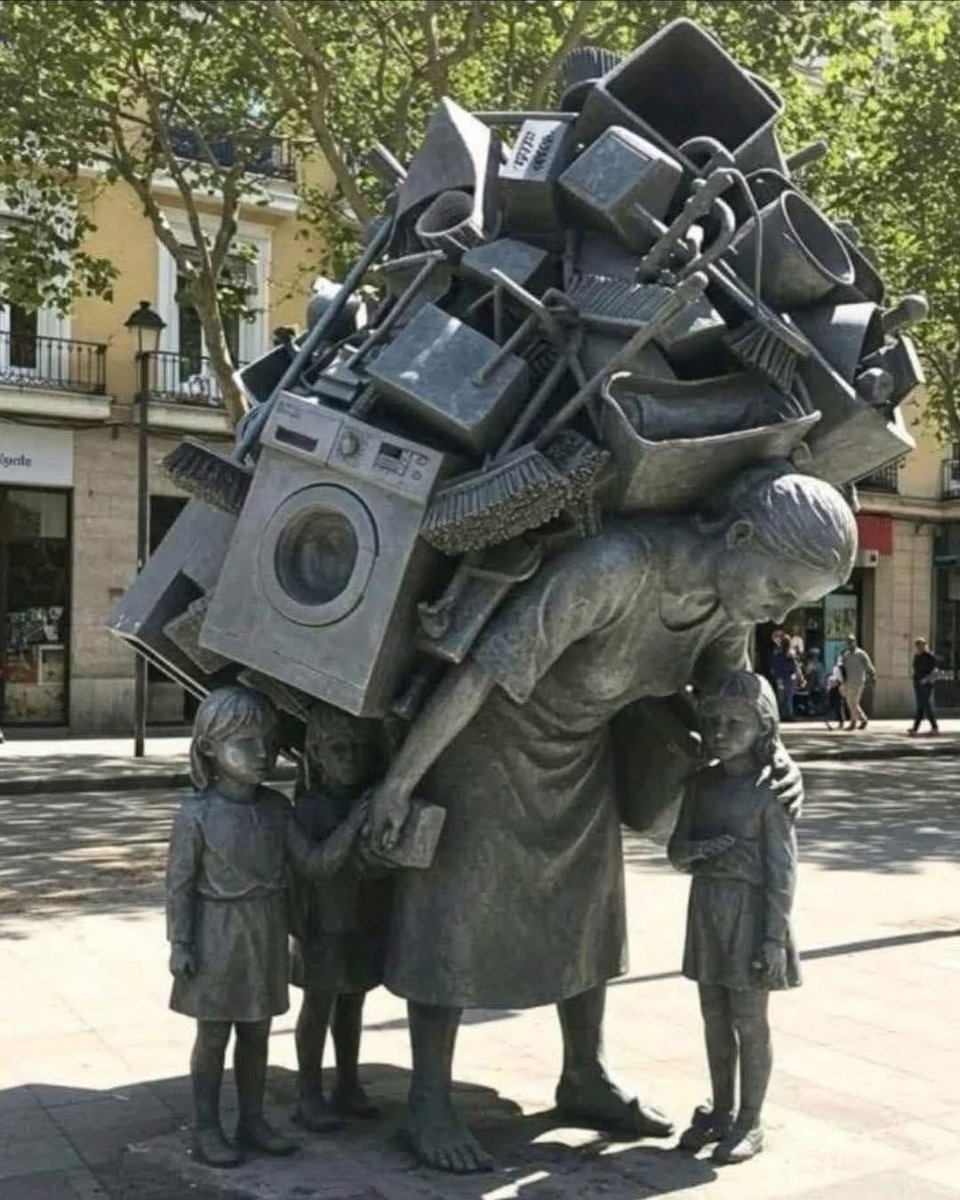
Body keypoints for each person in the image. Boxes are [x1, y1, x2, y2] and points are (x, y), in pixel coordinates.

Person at [364, 466, 856, 1174]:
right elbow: (476, 674)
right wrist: (400, 784)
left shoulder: (729, 611)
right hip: (487, 743)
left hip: (582, 753)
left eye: (794, 602)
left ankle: (584, 1074)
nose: (779, 613)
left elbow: (736, 700)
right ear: (742, 536)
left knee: (588, 911)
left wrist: (777, 759)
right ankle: (429, 1100)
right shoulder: (613, 569)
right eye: (780, 589)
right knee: (456, 912)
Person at [165, 686, 369, 1168]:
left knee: (257, 1031)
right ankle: (207, 1127)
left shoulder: (276, 809)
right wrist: (181, 942)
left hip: (266, 931)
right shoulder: (196, 814)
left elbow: (315, 865)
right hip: (217, 932)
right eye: (246, 743)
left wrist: (354, 825)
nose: (262, 753)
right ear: (209, 748)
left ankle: (252, 1120)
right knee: (213, 1035)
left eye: (269, 742)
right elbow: (178, 886)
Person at [669, 671, 800, 1165]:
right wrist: (700, 850)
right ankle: (721, 1109)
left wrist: (773, 938)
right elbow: (676, 850)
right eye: (714, 722)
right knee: (713, 1015)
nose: (720, 732)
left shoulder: (770, 792)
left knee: (749, 1019)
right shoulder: (700, 785)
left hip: (751, 916)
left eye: (735, 724)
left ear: (763, 728)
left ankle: (750, 1118)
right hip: (707, 910)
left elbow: (783, 871)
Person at [291, 703, 393, 1132]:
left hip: (361, 916)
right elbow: (318, 866)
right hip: (322, 924)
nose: (351, 759)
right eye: (339, 749)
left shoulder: (366, 800)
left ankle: (347, 1084)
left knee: (353, 1001)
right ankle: (308, 1093)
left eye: (358, 749)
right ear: (316, 754)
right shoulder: (307, 809)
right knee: (319, 1004)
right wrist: (354, 824)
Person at [839, 634, 876, 730]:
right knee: (851, 702)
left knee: (853, 702)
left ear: (855, 642)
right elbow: (842, 667)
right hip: (849, 681)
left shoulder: (861, 654)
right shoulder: (846, 655)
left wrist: (872, 674)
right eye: (848, 642)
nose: (850, 643)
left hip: (858, 681)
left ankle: (853, 722)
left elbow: (868, 665)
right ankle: (863, 719)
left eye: (851, 641)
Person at [908, 636, 940, 736]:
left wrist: (926, 679)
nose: (919, 647)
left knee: (925, 704)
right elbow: (915, 668)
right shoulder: (917, 656)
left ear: (925, 645)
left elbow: (935, 671)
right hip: (917, 683)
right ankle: (916, 728)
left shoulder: (930, 656)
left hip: (926, 684)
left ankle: (933, 727)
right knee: (920, 706)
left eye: (921, 645)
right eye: (918, 645)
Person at [769, 632, 801, 721]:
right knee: (788, 697)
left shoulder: (776, 653)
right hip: (789, 678)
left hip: (780, 678)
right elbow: (795, 667)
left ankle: (780, 715)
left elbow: (773, 668)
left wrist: (776, 676)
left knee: (781, 697)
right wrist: (800, 678)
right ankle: (789, 715)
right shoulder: (790, 654)